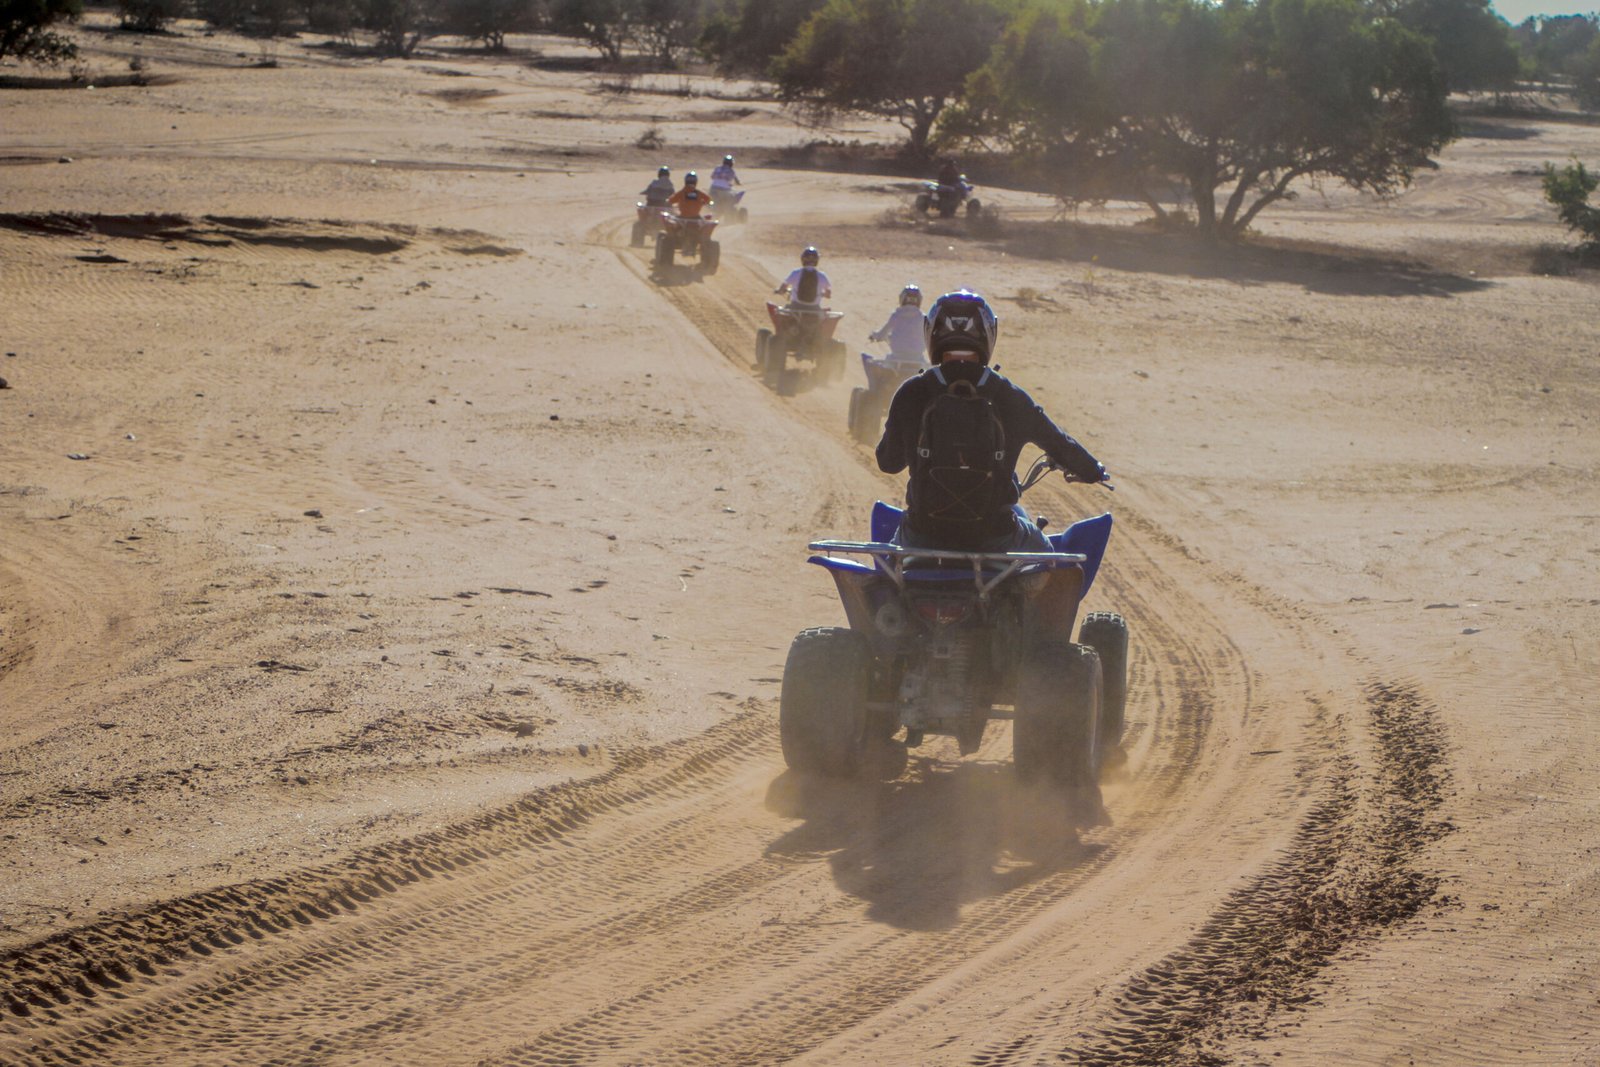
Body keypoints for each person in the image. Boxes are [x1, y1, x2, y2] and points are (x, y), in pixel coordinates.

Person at [876, 289, 1107, 553]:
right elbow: (1058, 442)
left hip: (922, 535)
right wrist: (1093, 469)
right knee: (1049, 559)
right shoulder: (1008, 395)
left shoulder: (912, 391)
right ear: (988, 333)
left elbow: (888, 463)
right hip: (997, 536)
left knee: (890, 561)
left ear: (932, 333)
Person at [869, 284, 928, 366]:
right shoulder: (923, 318)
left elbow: (881, 335)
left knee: (884, 365)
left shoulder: (896, 315)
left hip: (896, 358)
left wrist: (874, 336)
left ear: (902, 299)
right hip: (918, 359)